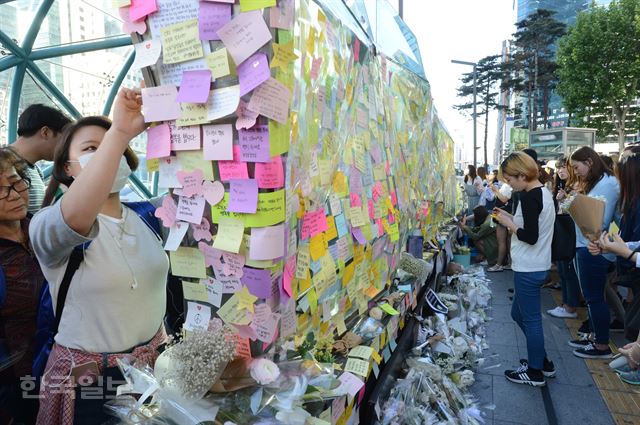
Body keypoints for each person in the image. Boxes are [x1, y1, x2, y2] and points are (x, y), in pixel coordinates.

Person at [29, 88, 169, 424]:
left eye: (116, 149)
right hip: (89, 384)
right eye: (93, 148)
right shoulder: (48, 225)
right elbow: (75, 218)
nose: (110, 154)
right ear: (67, 166)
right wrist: (118, 132)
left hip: (154, 373)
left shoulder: (151, 217)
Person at [493, 152, 556, 386]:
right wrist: (509, 216)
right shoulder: (542, 193)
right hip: (536, 264)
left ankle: (535, 372)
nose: (509, 183)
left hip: (529, 267)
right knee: (517, 314)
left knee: (530, 320)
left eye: (510, 179)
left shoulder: (530, 197)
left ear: (522, 174)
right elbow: (532, 224)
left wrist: (509, 224)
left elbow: (530, 236)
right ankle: (541, 361)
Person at [0, 149, 44, 423]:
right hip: (13, 381)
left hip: (63, 364)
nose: (15, 194)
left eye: (16, 182)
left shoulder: (43, 230)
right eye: (1, 191)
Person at [568, 146, 619, 359]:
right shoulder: (602, 182)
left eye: (577, 167)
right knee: (594, 297)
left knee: (593, 297)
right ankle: (594, 336)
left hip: (594, 248)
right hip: (589, 245)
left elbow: (600, 221)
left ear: (589, 162)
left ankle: (600, 344)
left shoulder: (607, 183)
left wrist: (574, 207)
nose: (576, 172)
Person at [3, 104, 71, 214]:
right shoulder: (4, 165)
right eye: (64, 140)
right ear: (45, 132)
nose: (66, 147)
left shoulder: (35, 170)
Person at [547, 156, 582, 319]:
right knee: (563, 270)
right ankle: (566, 304)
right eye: (558, 168)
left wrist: (564, 199)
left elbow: (579, 211)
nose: (561, 170)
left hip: (572, 234)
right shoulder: (562, 186)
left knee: (568, 271)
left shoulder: (577, 186)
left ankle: (570, 307)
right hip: (563, 231)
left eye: (564, 167)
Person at [487, 180, 513, 272]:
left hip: (502, 214)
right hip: (508, 213)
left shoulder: (508, 185)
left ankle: (499, 264)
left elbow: (503, 199)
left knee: (501, 241)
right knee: (508, 241)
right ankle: (509, 263)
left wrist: (495, 190)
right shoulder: (512, 184)